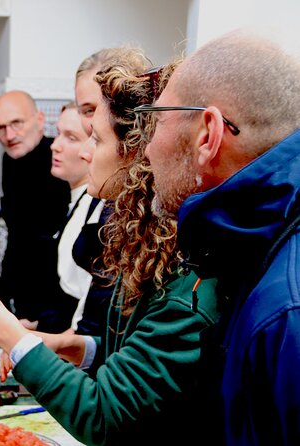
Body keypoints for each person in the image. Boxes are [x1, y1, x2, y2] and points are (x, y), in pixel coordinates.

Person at [0, 51, 221, 445]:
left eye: (94, 137)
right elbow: (134, 356)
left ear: (136, 156)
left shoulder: (188, 283)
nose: (83, 151)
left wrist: (5, 330)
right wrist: (79, 348)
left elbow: (105, 414)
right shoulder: (148, 249)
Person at [139, 29, 300, 445]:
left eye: (156, 123)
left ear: (207, 135)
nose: (147, 151)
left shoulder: (286, 311)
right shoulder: (253, 246)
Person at [0, 90, 70, 330]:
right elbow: (17, 236)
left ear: (40, 119)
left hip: (57, 304)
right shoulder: (10, 161)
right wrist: (0, 298)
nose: (9, 135)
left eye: (16, 123)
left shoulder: (60, 160)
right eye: (0, 128)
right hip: (24, 301)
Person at [44, 102, 109, 334]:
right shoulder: (75, 202)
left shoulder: (98, 212)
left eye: (71, 138)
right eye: (58, 134)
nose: (55, 146)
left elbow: (87, 305)